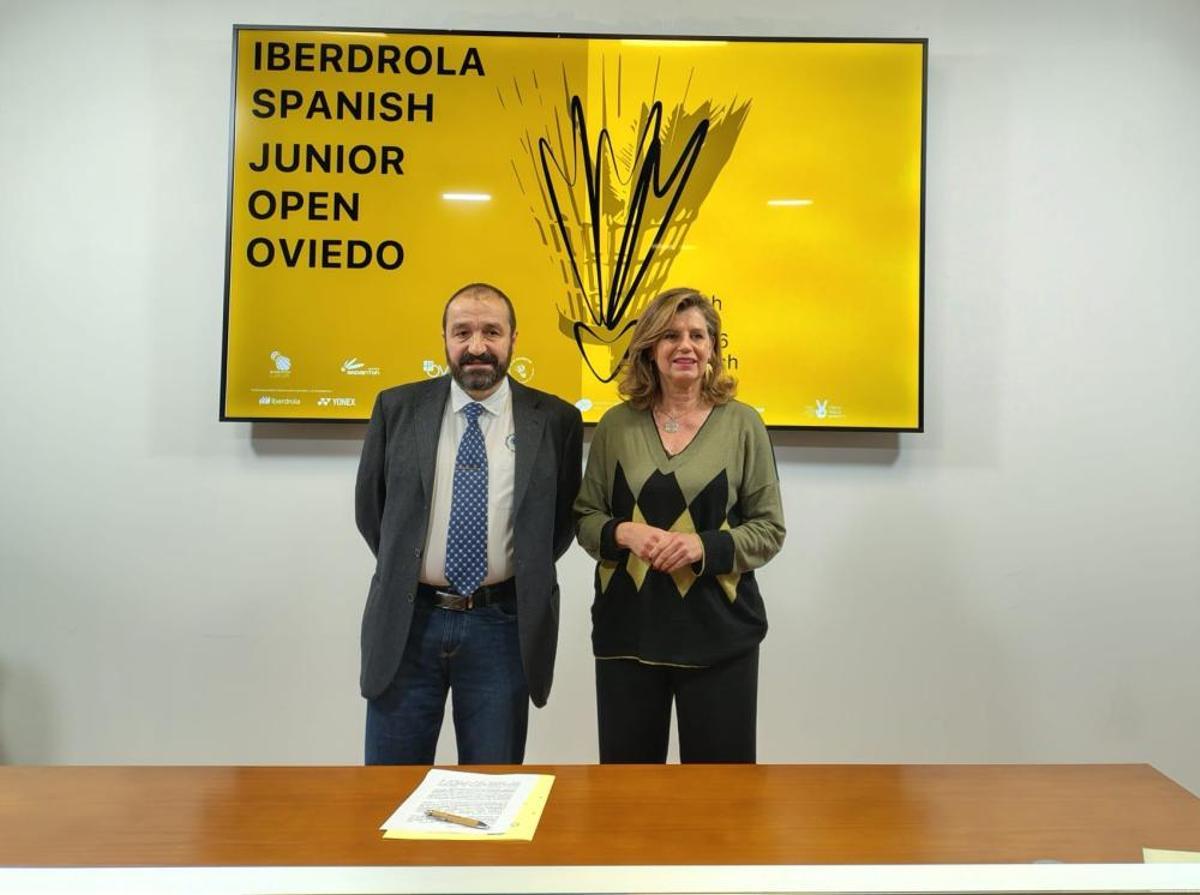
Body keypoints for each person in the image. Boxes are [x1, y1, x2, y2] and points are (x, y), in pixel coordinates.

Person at [356, 282, 583, 764]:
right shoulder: (397, 409)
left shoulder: (556, 420)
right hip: (408, 622)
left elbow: (557, 525)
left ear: (513, 339)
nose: (476, 346)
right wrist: (412, 565)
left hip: (502, 627)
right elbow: (372, 510)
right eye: (463, 332)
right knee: (387, 790)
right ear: (444, 338)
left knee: (491, 792)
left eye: (491, 332)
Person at [574, 287, 785, 763]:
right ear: (650, 346)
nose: (684, 346)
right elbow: (586, 517)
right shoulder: (615, 426)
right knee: (627, 801)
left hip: (718, 637)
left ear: (713, 348)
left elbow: (770, 529)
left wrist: (700, 547)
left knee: (721, 806)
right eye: (670, 334)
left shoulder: (743, 424)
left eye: (697, 335)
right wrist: (623, 533)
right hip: (628, 633)